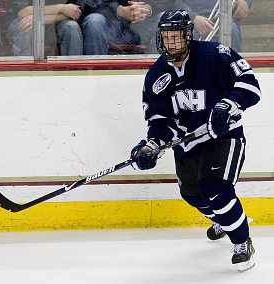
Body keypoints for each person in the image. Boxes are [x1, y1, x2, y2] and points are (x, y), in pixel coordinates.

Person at [130, 10, 261, 271]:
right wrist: (151, 145)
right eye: (167, 37)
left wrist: (227, 105)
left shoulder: (215, 55)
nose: (171, 43)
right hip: (187, 144)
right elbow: (160, 121)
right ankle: (223, 220)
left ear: (189, 35)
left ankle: (242, 242)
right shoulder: (156, 76)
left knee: (215, 189)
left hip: (223, 136)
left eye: (177, 37)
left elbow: (250, 85)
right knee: (192, 195)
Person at [7, 0, 83, 56]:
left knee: (72, 27)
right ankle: (27, 72)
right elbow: (22, 12)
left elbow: (75, 12)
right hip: (23, 21)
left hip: (55, 23)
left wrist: (39, 18)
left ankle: (72, 74)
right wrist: (61, 8)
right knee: (26, 27)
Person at [80, 1, 152, 55]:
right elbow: (86, 4)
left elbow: (157, 4)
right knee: (94, 20)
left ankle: (158, 72)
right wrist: (119, 10)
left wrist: (146, 8)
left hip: (133, 32)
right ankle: (95, 71)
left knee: (162, 19)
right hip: (102, 28)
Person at [184, 0, 253, 52]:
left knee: (232, 30)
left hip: (223, 18)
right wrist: (192, 18)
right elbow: (174, 3)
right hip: (187, 21)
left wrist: (244, 1)